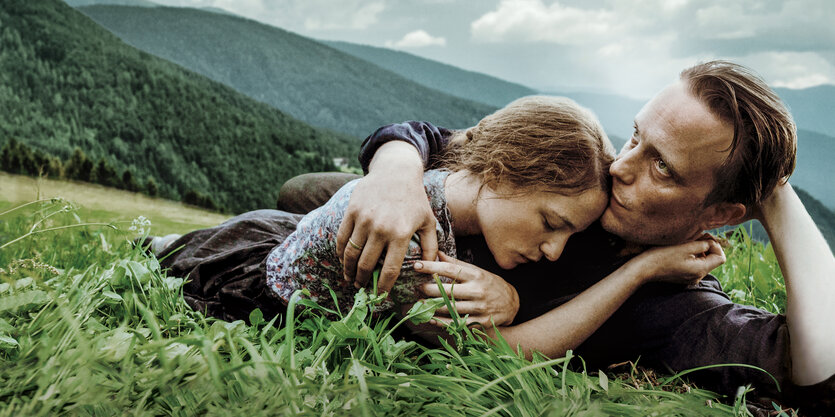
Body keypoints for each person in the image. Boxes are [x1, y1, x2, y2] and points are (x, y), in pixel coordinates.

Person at [277, 61, 835, 412]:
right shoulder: (592, 187)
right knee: (302, 191)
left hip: (415, 309)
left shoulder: (679, 304)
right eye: (636, 136)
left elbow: (819, 372)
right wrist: (393, 177)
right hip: (399, 231)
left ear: (720, 213)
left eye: (661, 168)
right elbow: (433, 137)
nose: (622, 167)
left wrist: (777, 197)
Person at [156, 96, 724, 356]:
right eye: (551, 223)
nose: (554, 250)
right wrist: (641, 271)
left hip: (278, 241)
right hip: (247, 272)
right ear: (501, 171)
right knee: (174, 255)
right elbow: (502, 355)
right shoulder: (413, 243)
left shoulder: (459, 189)